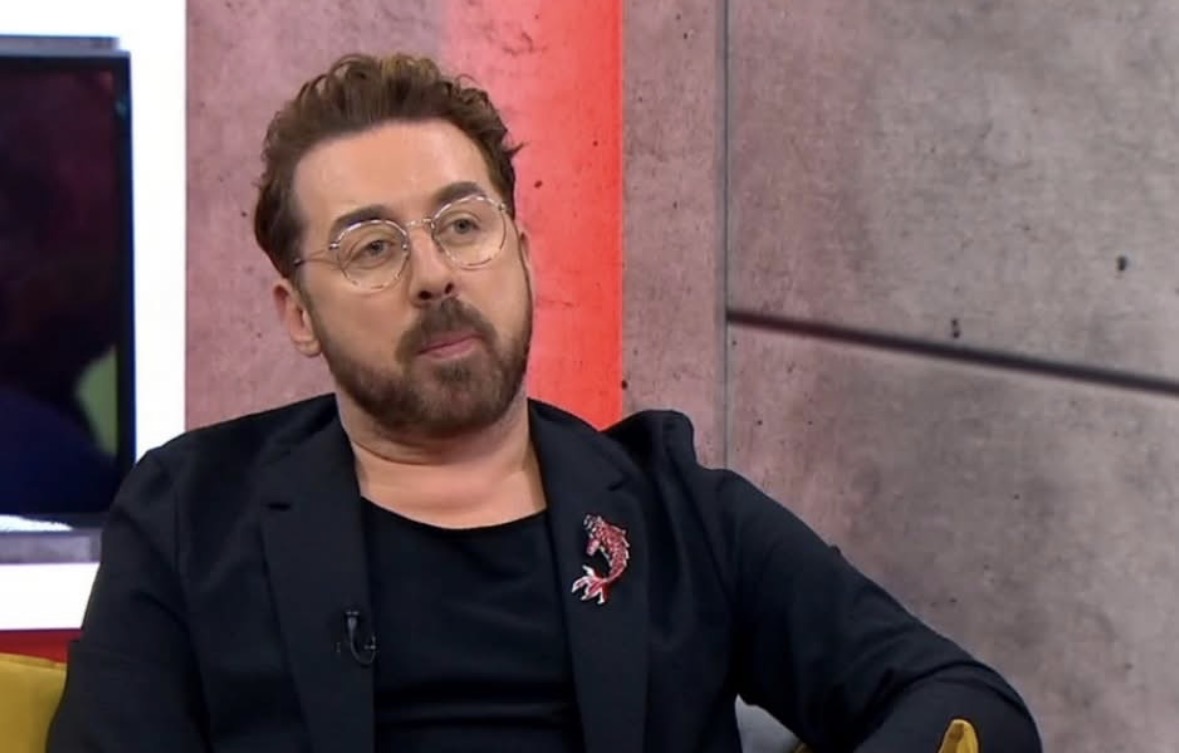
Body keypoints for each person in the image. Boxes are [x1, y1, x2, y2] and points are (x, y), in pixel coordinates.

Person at [48, 53, 1041, 753]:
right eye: (372, 247)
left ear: (520, 253)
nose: (434, 275)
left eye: (462, 225)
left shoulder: (679, 514)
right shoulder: (192, 514)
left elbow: (969, 707)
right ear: (298, 313)